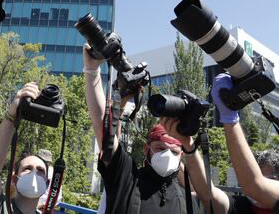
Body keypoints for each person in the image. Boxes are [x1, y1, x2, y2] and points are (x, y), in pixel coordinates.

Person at [83, 43, 199, 214]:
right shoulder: (127, 180)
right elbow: (105, 130)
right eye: (160, 148)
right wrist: (92, 71)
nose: (167, 155)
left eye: (174, 151)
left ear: (182, 155)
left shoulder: (189, 199)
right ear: (147, 149)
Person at [210, 73, 279, 213]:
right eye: (251, 170)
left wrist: (230, 119)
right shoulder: (241, 206)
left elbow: (254, 185)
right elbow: (208, 195)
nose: (248, 175)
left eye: (267, 178)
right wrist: (186, 145)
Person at [0, 83, 50, 214]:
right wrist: (12, 115)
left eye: (40, 170)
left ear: (48, 183)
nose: (34, 174)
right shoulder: (0, 207)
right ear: (14, 179)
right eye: (27, 169)